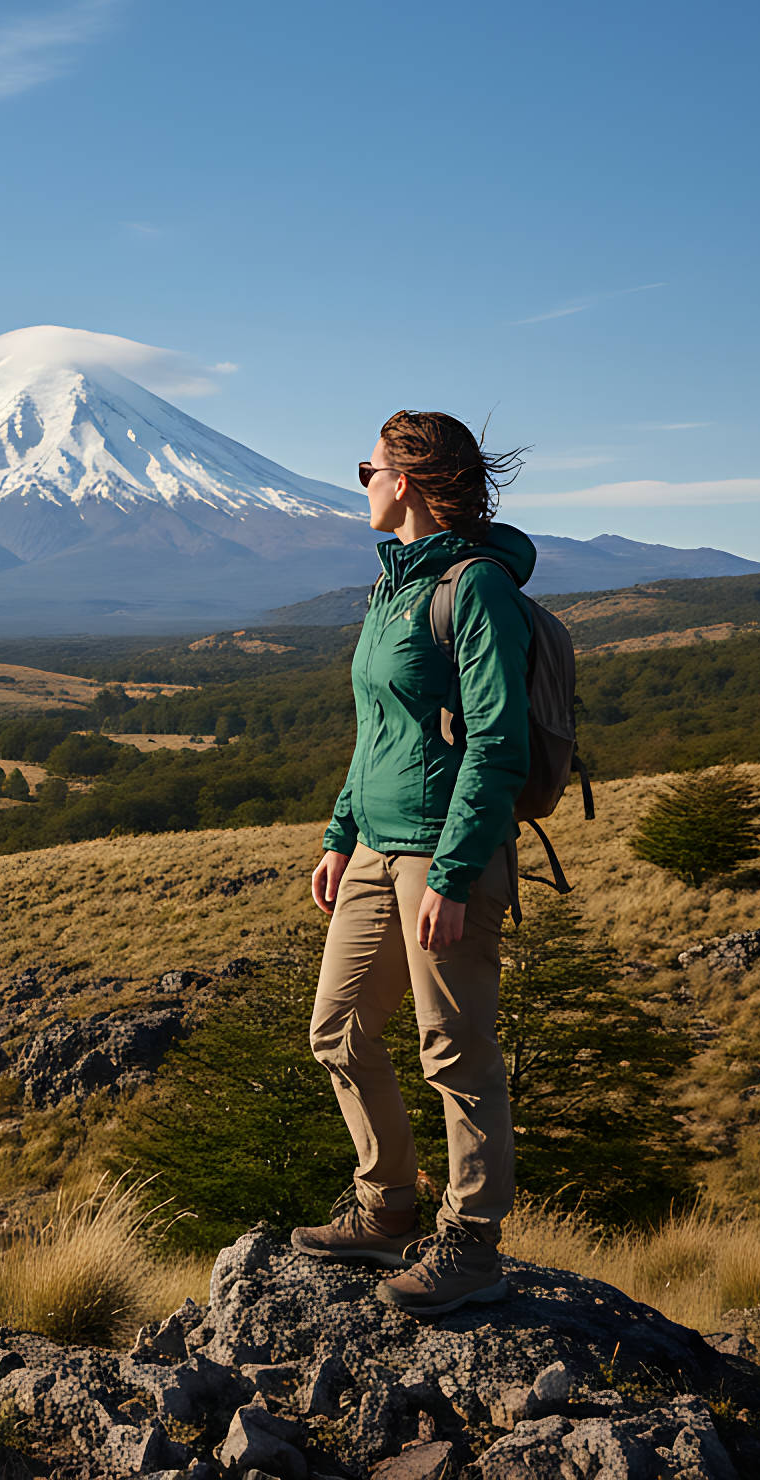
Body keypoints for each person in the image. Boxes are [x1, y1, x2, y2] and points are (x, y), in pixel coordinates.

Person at [289, 409, 532, 1318]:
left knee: (455, 1047)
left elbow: (498, 740)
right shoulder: (393, 588)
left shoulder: (476, 588)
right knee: (337, 1029)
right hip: (373, 847)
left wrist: (458, 871)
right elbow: (379, 730)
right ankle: (388, 1207)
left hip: (442, 851)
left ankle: (470, 1243)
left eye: (368, 467)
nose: (362, 481)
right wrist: (340, 833)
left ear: (411, 481)